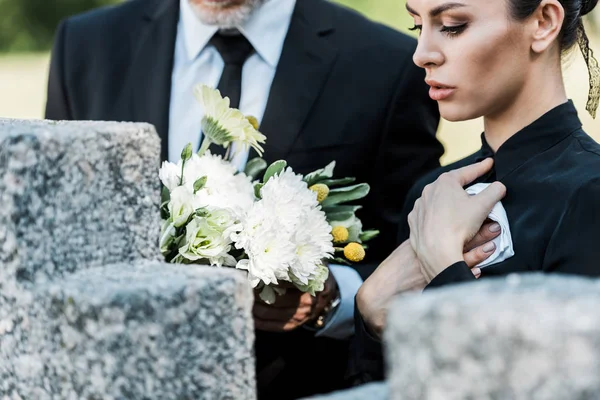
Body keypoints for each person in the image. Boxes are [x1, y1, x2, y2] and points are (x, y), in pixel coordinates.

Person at [44, 0, 445, 397]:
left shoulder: (385, 63)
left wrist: (332, 297)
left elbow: (414, 250)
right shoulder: (84, 47)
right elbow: (59, 238)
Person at [351, 0, 600, 385]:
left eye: (452, 25)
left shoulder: (591, 191)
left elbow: (567, 384)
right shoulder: (431, 194)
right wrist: (370, 310)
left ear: (543, 22)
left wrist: (444, 269)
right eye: (418, 26)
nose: (422, 55)